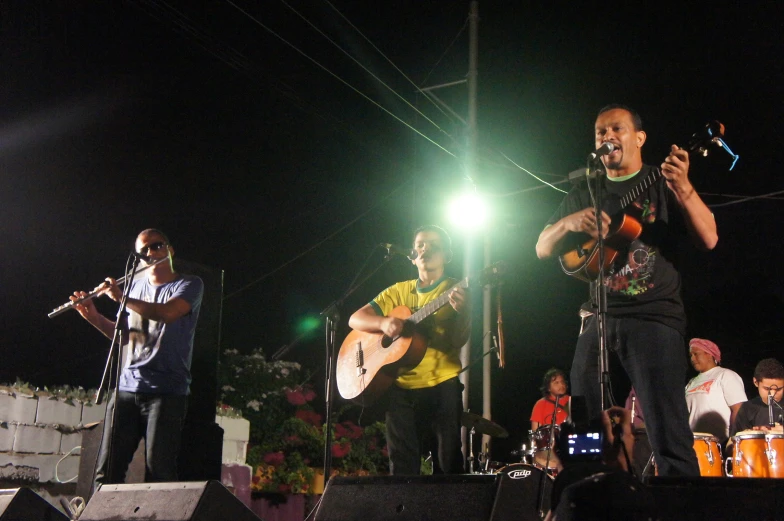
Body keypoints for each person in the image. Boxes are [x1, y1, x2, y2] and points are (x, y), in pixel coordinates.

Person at [535, 104, 718, 477]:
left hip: (654, 317)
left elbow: (710, 238)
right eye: (600, 132)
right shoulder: (586, 188)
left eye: (616, 129)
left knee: (667, 424)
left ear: (639, 138)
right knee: (585, 424)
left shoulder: (661, 181)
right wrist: (569, 222)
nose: (607, 137)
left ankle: (681, 501)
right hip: (598, 318)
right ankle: (587, 494)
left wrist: (683, 187)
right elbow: (541, 247)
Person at [70, 228, 204, 488]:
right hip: (127, 390)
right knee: (106, 472)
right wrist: (94, 318)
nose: (151, 253)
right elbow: (125, 338)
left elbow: (167, 313)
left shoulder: (190, 284)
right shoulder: (135, 287)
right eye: (144, 250)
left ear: (170, 249)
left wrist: (121, 298)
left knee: (160, 471)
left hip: (167, 392)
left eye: (157, 246)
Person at [348, 225, 470, 475]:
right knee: (402, 465)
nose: (426, 248)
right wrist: (383, 322)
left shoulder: (458, 290)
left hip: (442, 383)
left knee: (448, 462)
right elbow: (355, 319)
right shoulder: (398, 291)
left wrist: (465, 312)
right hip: (400, 385)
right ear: (413, 257)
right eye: (420, 245)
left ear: (447, 255)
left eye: (434, 244)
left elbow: (459, 340)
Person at [684, 338, 746, 443]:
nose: (692, 359)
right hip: (694, 443)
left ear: (709, 354)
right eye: (691, 355)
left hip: (718, 442)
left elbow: (738, 409)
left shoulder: (726, 375)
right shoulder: (692, 382)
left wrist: (733, 440)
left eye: (696, 354)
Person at [731, 358, 784, 435]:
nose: (772, 394)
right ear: (756, 382)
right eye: (767, 389)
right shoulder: (747, 408)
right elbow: (733, 442)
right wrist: (752, 433)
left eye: (778, 389)